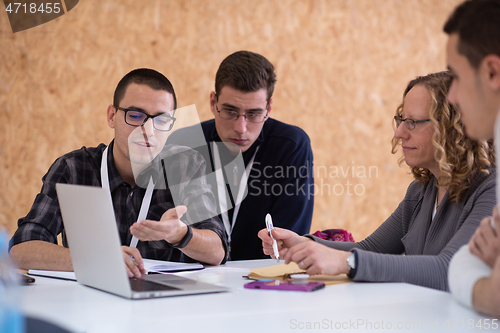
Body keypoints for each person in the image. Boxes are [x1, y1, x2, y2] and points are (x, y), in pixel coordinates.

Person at [259, 71, 496, 291]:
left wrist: (348, 261)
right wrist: (301, 244)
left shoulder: (490, 190)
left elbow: (449, 269)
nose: (399, 133)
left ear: (451, 128)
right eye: (401, 120)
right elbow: (371, 249)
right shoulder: (421, 190)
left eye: (412, 122)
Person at [9, 68, 228, 278]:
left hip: (163, 305)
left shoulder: (185, 166)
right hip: (90, 304)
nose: (147, 131)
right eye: (135, 115)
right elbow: (20, 251)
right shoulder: (73, 168)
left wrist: (179, 234)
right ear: (112, 116)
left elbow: (217, 251)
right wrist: (96, 260)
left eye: (161, 120)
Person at [168, 51, 314, 260]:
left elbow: (286, 244)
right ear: (213, 103)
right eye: (230, 111)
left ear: (268, 108)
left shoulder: (291, 146)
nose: (241, 128)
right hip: (196, 277)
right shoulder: (183, 144)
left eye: (253, 114)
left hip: (262, 279)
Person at [444, 0, 500, 317]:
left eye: (456, 76)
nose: (452, 96)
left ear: (492, 71)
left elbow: (496, 298)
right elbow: (464, 261)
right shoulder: (418, 192)